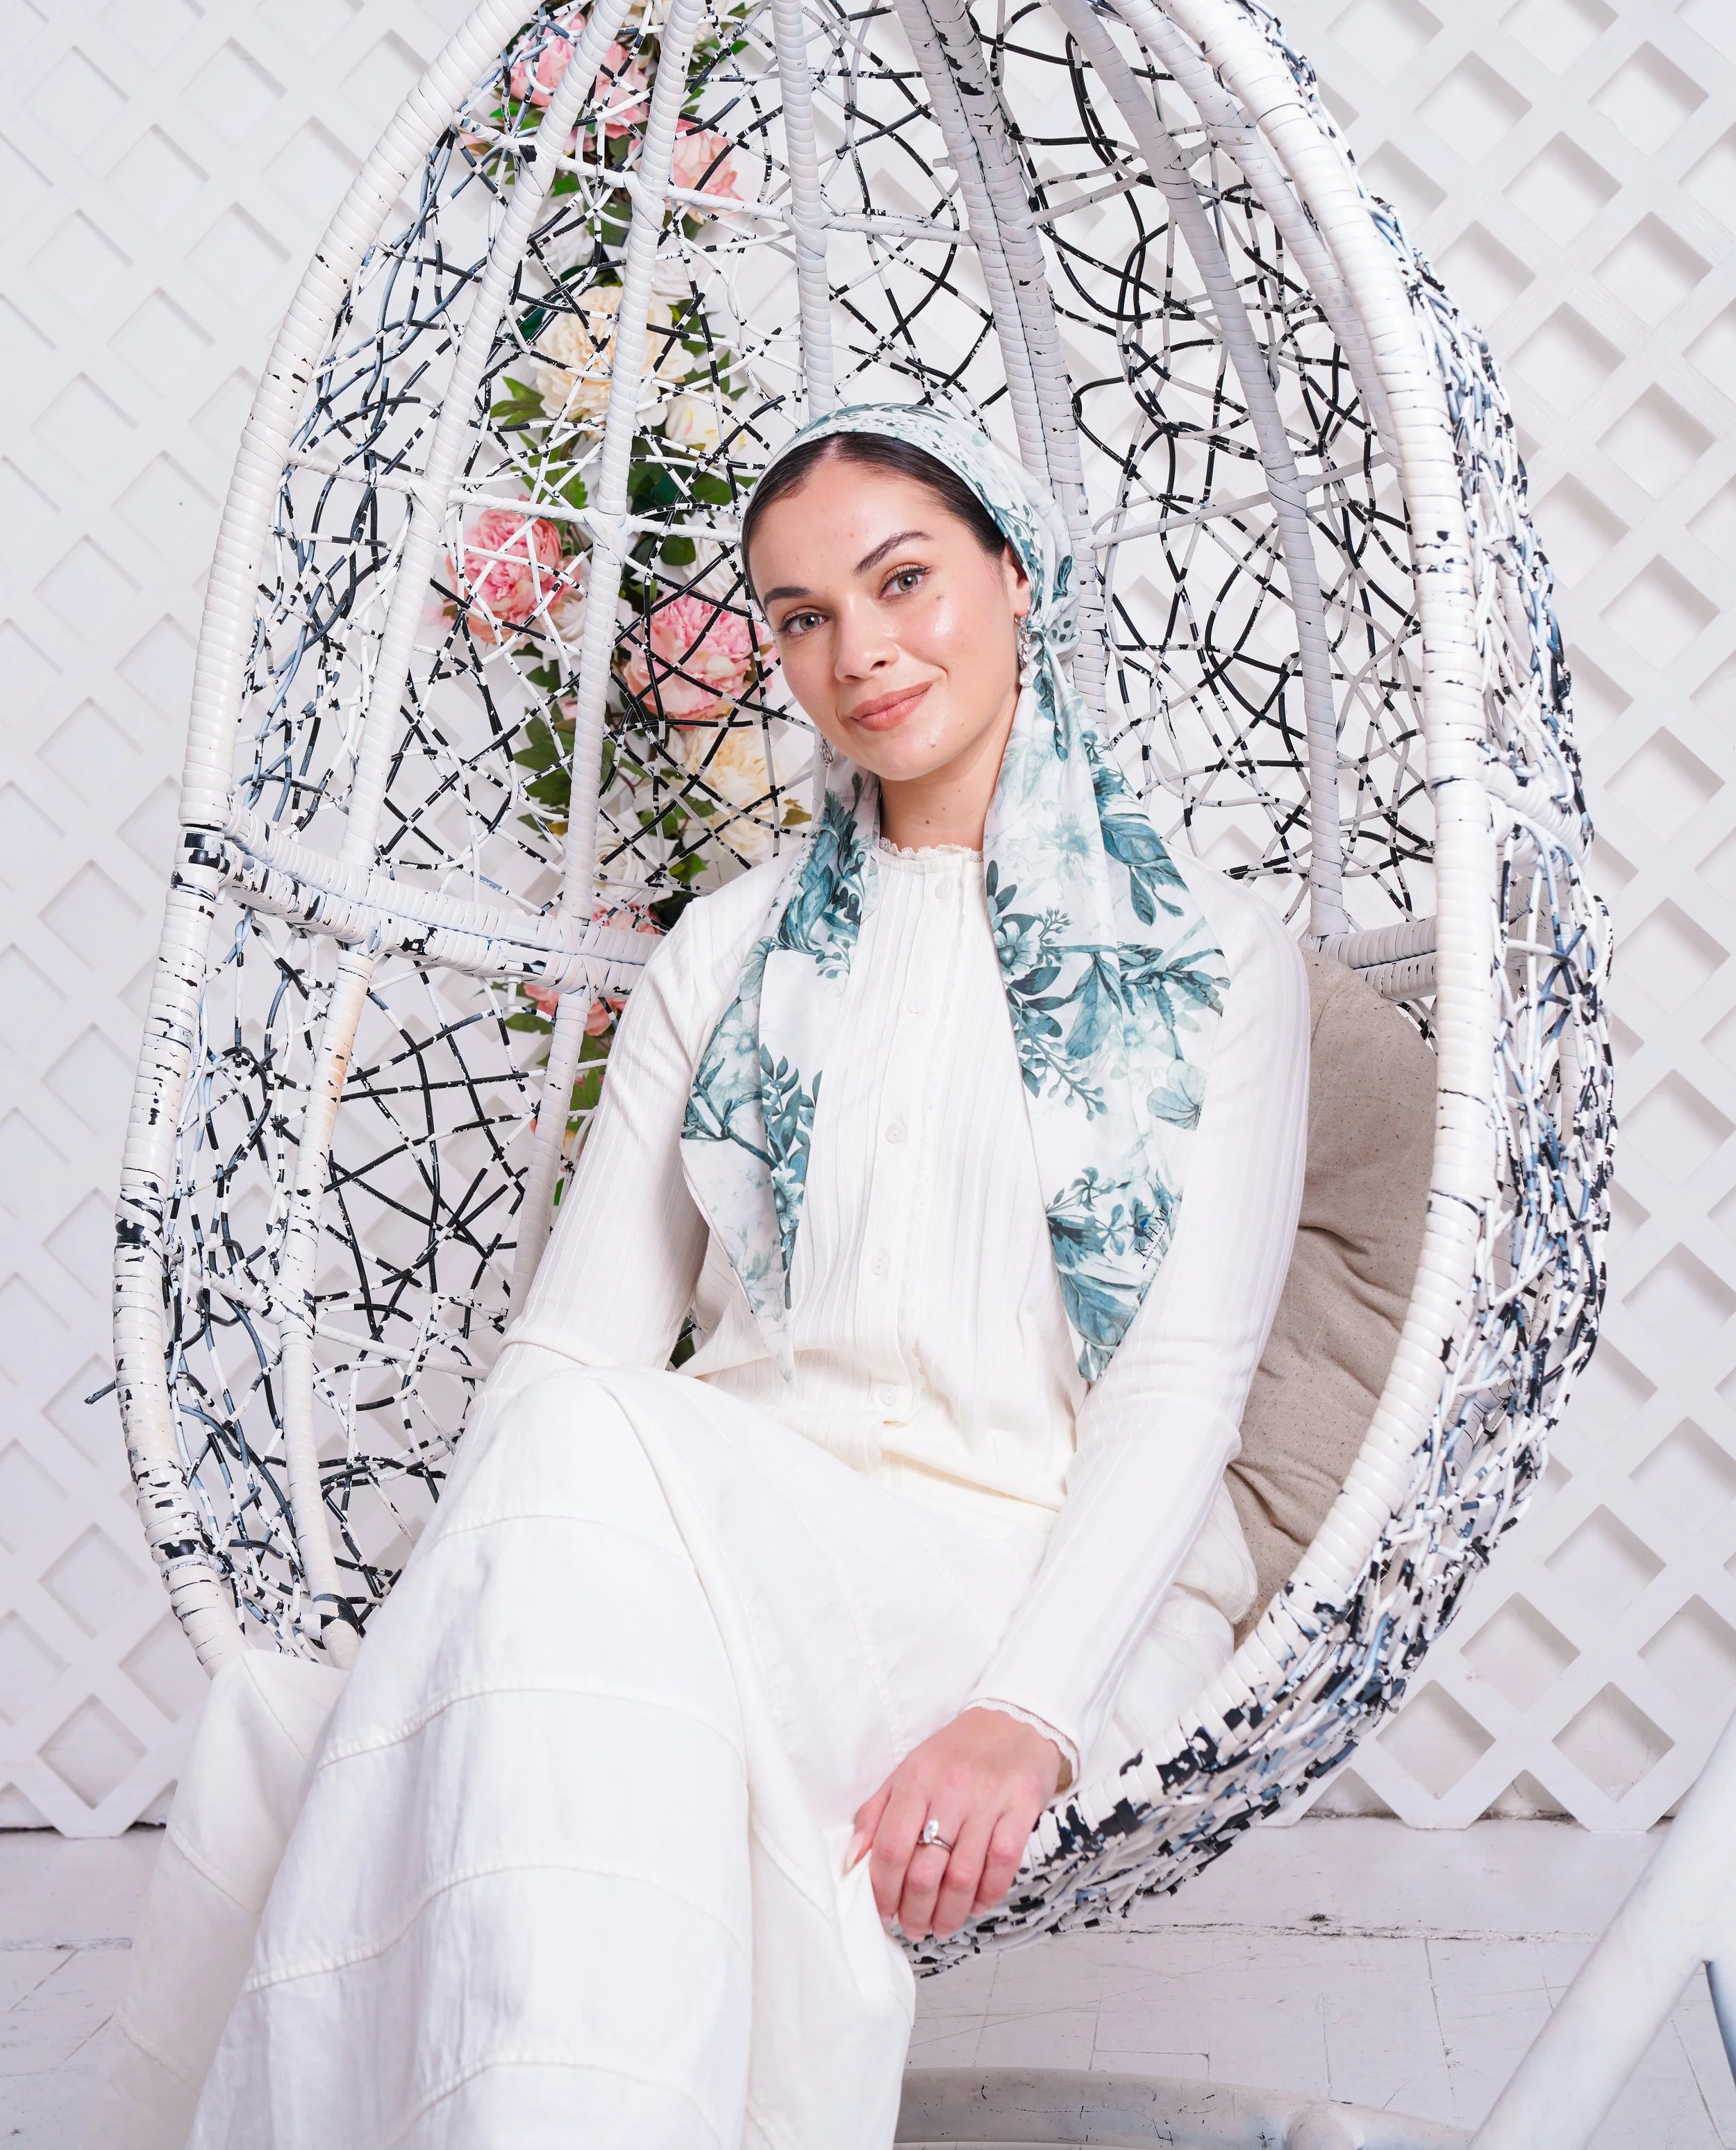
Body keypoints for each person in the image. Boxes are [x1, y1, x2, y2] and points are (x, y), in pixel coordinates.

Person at [151, 402, 1308, 2150]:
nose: (859, 651)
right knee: (434, 1598)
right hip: (729, 1518)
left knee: (545, 1534)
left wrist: (1024, 1711)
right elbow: (575, 1345)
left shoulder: (1213, 958)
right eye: (798, 618)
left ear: (1009, 574)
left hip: (1023, 1551)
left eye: (902, 578)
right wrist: (456, 1625)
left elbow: (1178, 1383)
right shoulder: (740, 941)